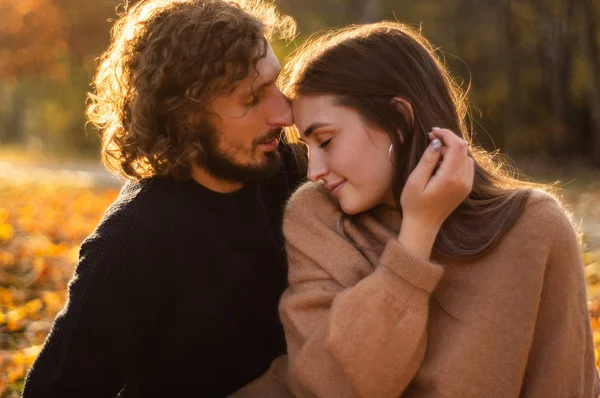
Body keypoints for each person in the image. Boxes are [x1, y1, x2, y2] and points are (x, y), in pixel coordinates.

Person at [272, 21, 598, 397]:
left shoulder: (535, 227)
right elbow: (334, 386)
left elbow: (564, 383)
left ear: (399, 119)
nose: (313, 172)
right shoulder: (316, 217)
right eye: (307, 148)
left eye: (325, 141)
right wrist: (417, 234)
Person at [21, 0, 306, 396]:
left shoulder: (288, 167)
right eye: (252, 99)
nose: (284, 114)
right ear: (184, 116)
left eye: (276, 83)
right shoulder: (134, 240)